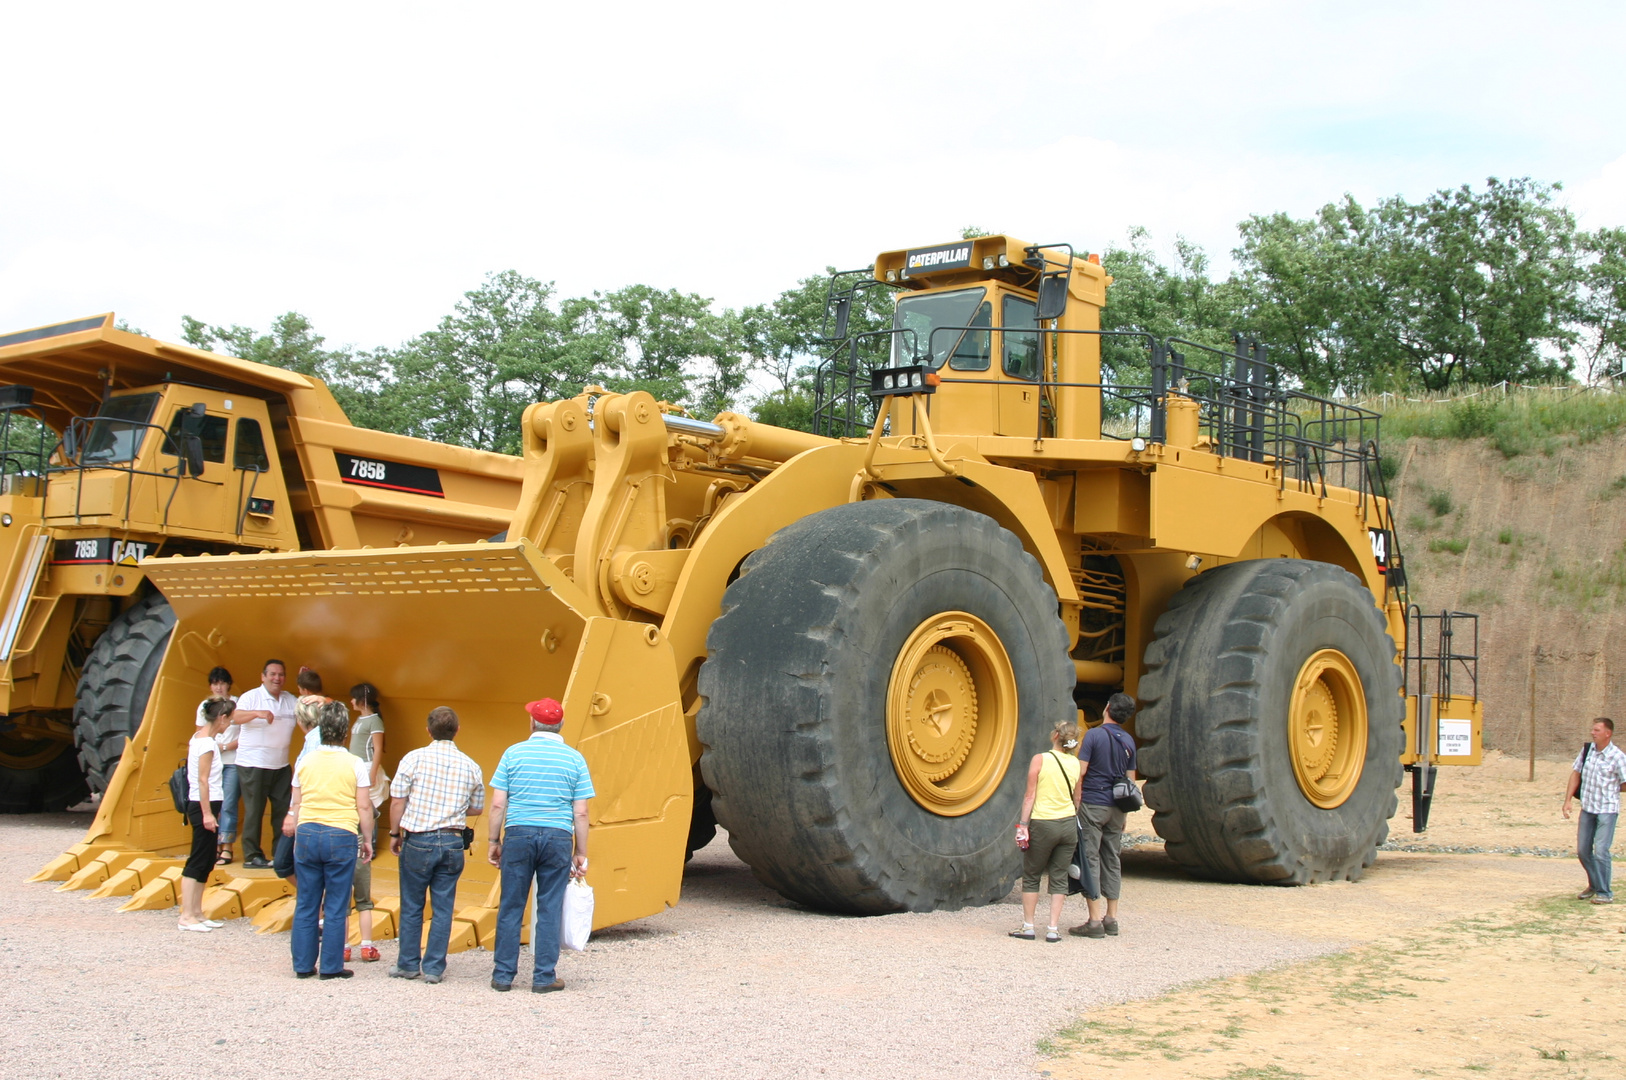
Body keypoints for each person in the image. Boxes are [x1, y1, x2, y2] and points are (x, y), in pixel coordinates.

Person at [487, 698, 593, 993]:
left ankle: (503, 975)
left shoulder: (513, 754)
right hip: (558, 836)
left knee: (511, 905)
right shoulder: (575, 759)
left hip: (519, 834)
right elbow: (581, 812)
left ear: (532, 723)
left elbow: (498, 804)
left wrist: (494, 841)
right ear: (561, 725)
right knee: (549, 906)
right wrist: (580, 852)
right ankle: (544, 977)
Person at [386, 706, 485, 984]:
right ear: (457, 731)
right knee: (443, 906)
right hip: (453, 840)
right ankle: (433, 968)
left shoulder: (413, 759)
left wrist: (395, 834)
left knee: (412, 903)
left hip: (418, 838)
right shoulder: (470, 765)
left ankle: (407, 964)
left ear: (428, 730)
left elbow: (397, 800)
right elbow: (477, 808)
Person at [283, 700, 374, 979]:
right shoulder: (355, 763)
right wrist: (367, 839)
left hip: (308, 832)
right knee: (336, 903)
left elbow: (297, 803)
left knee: (307, 901)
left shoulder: (305, 761)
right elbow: (364, 806)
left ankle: (302, 965)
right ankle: (331, 966)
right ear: (345, 731)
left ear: (321, 729)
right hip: (341, 834)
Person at [1070, 692, 1139, 939]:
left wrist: (1077, 799)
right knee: (1112, 858)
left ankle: (1094, 920)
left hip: (1094, 803)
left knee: (1090, 858)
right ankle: (1111, 918)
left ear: (1107, 707)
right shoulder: (1129, 741)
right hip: (1118, 808)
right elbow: (1130, 781)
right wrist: (1126, 814)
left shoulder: (1095, 736)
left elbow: (1082, 771)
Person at [1012, 719, 1083, 943]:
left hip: (1043, 822)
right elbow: (1077, 797)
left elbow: (1029, 795)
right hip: (1067, 823)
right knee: (1059, 877)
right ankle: (1053, 928)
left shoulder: (1040, 759)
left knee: (1032, 875)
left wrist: (1023, 825)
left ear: (1055, 736)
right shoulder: (1075, 764)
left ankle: (1029, 926)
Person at [236, 660, 297, 869]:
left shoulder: (290, 700)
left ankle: (280, 854)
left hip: (280, 764)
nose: (277, 678)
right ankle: (252, 855)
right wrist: (257, 713)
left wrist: (308, 685)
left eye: (281, 675)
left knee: (282, 809)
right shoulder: (251, 697)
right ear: (263, 676)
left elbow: (306, 709)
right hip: (254, 763)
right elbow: (234, 716)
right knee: (254, 810)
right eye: (272, 674)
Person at [180, 698, 235, 931]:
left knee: (206, 860)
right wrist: (206, 813)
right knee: (198, 858)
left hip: (208, 802)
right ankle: (186, 915)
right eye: (229, 719)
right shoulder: (207, 745)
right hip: (203, 804)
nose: (229, 723)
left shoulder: (201, 739)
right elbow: (202, 780)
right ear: (221, 718)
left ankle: (197, 912)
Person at [1563, 717, 1626, 905]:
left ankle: (1605, 893)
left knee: (1601, 850)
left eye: (1597, 730)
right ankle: (1594, 884)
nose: (1593, 733)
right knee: (1583, 850)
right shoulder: (1587, 751)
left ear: (1608, 733)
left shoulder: (1617, 756)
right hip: (1588, 808)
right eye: (1593, 729)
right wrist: (1567, 800)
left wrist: (1610, 789)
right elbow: (1576, 773)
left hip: (1607, 809)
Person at [346, 682, 388, 963]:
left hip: (364, 769)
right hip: (356, 767)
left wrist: (372, 773)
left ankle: (367, 845)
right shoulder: (363, 718)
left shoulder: (374, 720)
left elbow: (377, 748)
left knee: (367, 811)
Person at [195, 666, 245, 867]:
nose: (218, 687)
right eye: (215, 683)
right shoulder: (204, 706)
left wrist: (224, 746)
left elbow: (245, 735)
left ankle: (227, 846)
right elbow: (200, 733)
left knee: (229, 804)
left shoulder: (237, 704)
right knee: (213, 802)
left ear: (228, 685)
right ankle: (214, 845)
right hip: (213, 761)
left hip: (232, 760)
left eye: (222, 683)